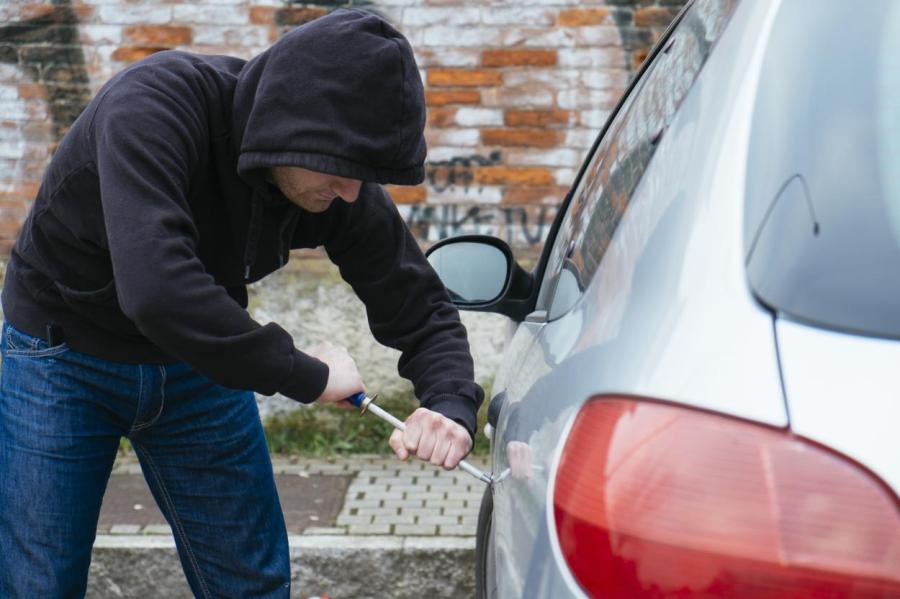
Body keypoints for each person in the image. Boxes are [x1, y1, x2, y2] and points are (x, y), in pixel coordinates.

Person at [0, 8, 484, 597]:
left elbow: (419, 305)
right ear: (293, 124)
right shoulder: (154, 107)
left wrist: (451, 407)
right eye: (341, 170)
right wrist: (309, 374)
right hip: (62, 355)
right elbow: (157, 290)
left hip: (198, 367)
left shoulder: (336, 183)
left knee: (250, 585)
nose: (352, 192)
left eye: (365, 174)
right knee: (37, 584)